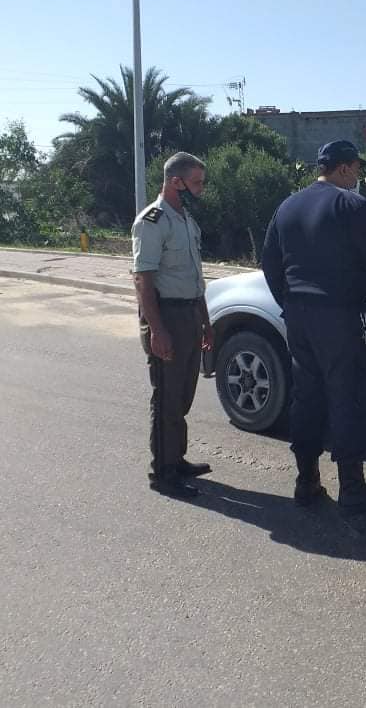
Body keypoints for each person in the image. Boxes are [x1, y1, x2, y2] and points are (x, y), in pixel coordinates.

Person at [261, 140, 366, 514]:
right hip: (341, 317)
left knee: (307, 397)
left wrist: (291, 304)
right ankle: (352, 488)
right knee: (349, 395)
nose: (358, 175)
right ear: (344, 168)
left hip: (300, 316)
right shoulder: (351, 205)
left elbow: (270, 263)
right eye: (357, 168)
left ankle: (306, 481)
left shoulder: (288, 206)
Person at [131, 152, 215, 499]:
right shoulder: (152, 221)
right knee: (167, 398)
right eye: (196, 183)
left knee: (182, 396)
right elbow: (143, 280)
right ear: (175, 182)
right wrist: (158, 330)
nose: (200, 189)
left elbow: (195, 277)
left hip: (191, 314)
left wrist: (206, 321)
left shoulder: (185, 220)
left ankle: (176, 460)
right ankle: (163, 473)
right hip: (166, 316)